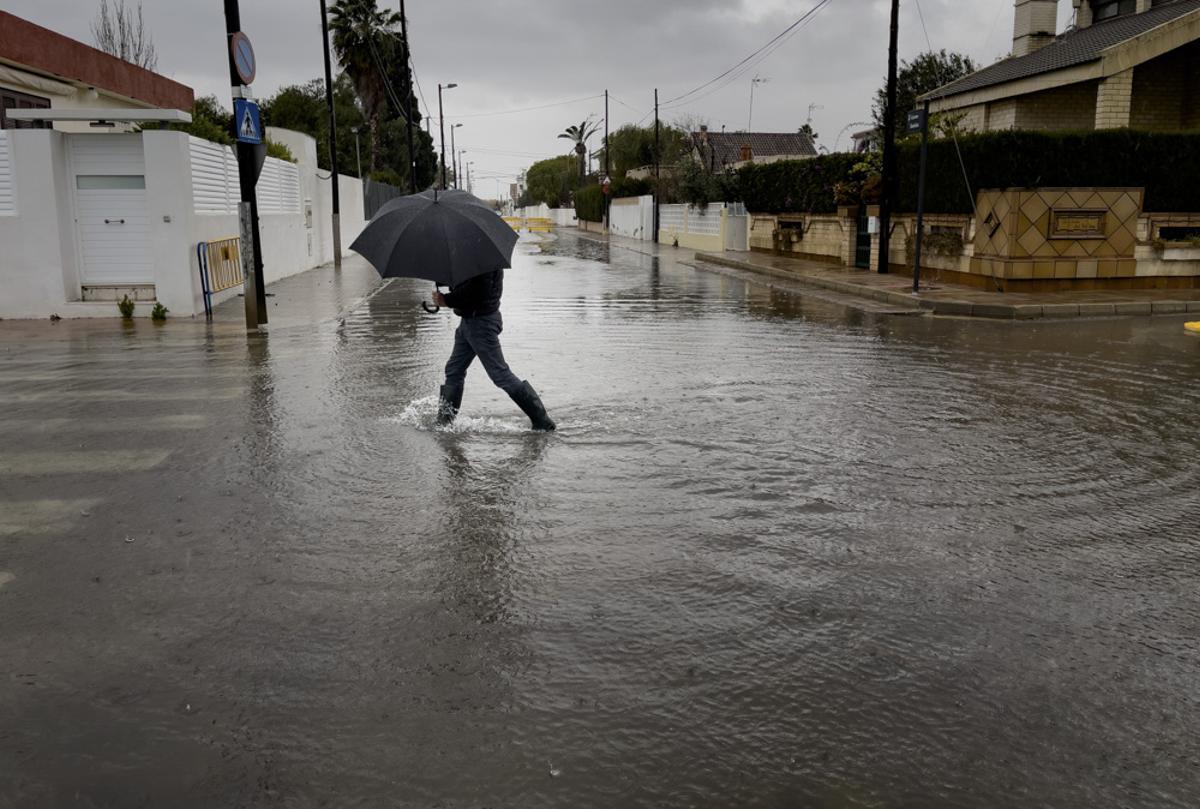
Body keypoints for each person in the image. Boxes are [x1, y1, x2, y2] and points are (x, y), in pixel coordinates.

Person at [432, 269, 556, 431]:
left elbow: (475, 292)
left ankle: (543, 421)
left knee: (500, 374)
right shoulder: (475, 257)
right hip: (470, 322)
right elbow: (470, 285)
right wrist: (445, 282)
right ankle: (444, 424)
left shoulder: (480, 262)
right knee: (454, 369)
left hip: (480, 324)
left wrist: (446, 300)